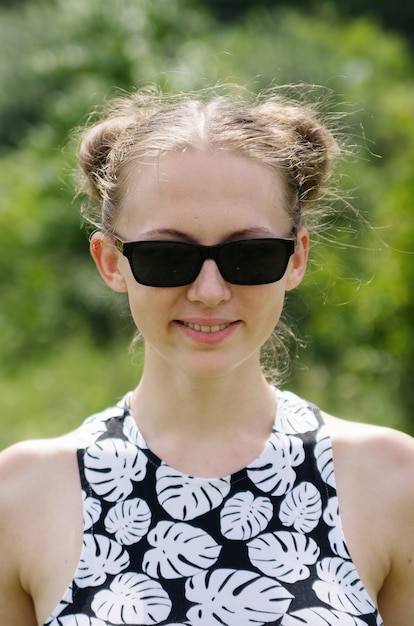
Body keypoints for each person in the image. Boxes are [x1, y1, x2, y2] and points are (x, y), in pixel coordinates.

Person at [0, 85, 413, 626]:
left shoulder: (395, 481)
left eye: (251, 253)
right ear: (110, 261)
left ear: (296, 258)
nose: (210, 291)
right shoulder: (18, 497)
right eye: (168, 256)